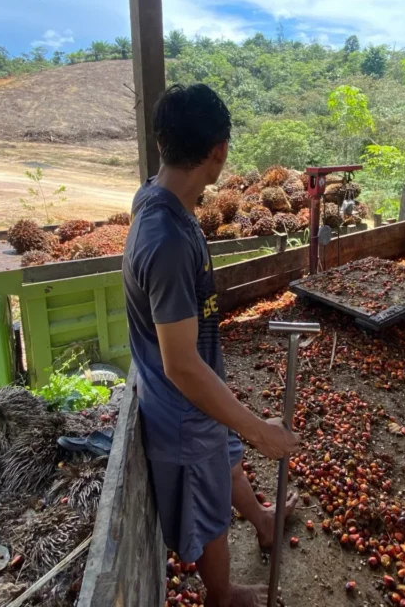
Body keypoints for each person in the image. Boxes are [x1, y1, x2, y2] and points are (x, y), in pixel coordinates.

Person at [123, 83, 299, 607]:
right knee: (209, 512)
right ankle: (221, 595)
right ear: (218, 151)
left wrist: (233, 419)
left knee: (225, 459)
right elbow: (180, 366)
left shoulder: (159, 197)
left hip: (200, 393)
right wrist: (258, 427)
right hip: (182, 408)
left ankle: (264, 522)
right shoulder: (169, 241)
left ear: (162, 143)